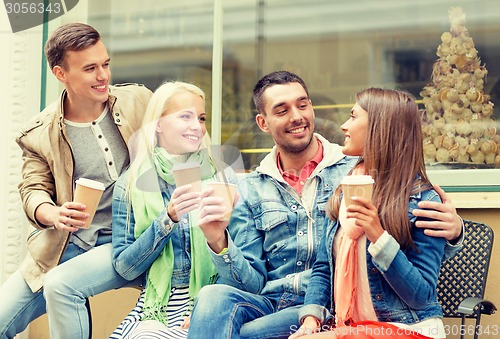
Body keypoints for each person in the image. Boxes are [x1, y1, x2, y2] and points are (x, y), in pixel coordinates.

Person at [187, 71, 463, 339]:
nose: (297, 116)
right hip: (276, 303)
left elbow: (407, 215)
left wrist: (454, 232)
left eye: (303, 105)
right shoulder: (253, 188)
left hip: (337, 307)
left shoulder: (347, 172)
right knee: (211, 299)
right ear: (263, 123)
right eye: (282, 110)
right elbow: (253, 282)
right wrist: (219, 242)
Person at [0, 23, 152, 339]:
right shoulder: (38, 134)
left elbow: (185, 146)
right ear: (60, 74)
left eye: (105, 64)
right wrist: (52, 213)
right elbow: (33, 188)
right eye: (90, 68)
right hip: (66, 245)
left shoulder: (138, 101)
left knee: (63, 287)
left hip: (129, 239)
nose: (103, 76)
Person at [289, 88, 448, 339]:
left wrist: (378, 235)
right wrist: (311, 318)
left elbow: (420, 296)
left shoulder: (423, 202)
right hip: (351, 326)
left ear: (379, 127)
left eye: (353, 117)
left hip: (408, 329)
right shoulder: (344, 190)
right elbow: (323, 268)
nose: (343, 125)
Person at [109, 81, 238, 339]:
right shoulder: (132, 182)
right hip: (158, 305)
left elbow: (243, 257)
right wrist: (167, 219)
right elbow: (125, 268)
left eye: (201, 118)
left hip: (215, 297)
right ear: (158, 123)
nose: (197, 127)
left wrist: (208, 307)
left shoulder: (223, 175)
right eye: (185, 117)